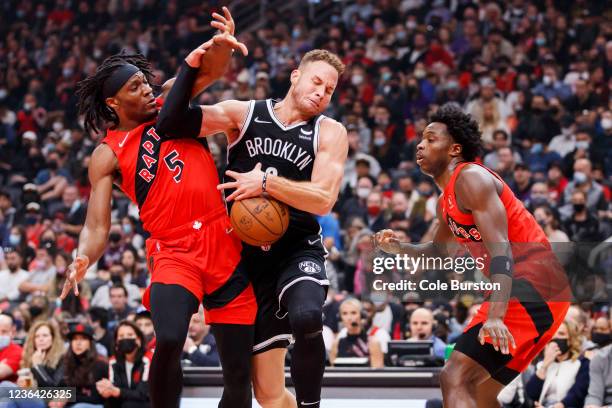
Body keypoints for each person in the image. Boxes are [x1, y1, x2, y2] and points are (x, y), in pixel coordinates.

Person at [62, 9, 257, 408]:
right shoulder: (106, 154)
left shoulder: (171, 99)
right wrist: (83, 256)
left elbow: (212, 70)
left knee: (239, 376)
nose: (147, 90)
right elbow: (97, 227)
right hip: (173, 250)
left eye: (145, 81)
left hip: (224, 241)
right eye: (136, 87)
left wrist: (222, 44)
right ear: (114, 102)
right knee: (168, 338)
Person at [160, 45, 348, 408]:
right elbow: (171, 122)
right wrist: (194, 66)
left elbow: (324, 198)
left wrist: (265, 184)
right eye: (316, 82)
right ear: (296, 76)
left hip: (297, 249)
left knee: (308, 316)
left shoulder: (330, 131)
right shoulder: (243, 114)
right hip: (245, 262)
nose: (321, 93)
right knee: (268, 394)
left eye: (329, 90)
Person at [374, 104, 570, 407]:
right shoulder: (446, 199)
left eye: (431, 139)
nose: (421, 144)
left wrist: (495, 316)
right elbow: (438, 252)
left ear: (454, 149)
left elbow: (502, 248)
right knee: (480, 393)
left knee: (454, 377)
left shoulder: (471, 178)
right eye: (421, 139)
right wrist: (400, 248)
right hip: (544, 295)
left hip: (534, 284)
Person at [525, 320, 589, 407]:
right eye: (553, 334)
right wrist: (545, 365)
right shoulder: (542, 363)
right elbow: (531, 394)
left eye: (561, 334)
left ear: (570, 339)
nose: (555, 338)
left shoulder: (582, 363)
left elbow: (577, 394)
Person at [98, 321, 150, 408]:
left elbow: (143, 394)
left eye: (130, 335)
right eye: (121, 336)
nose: (78, 343)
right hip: (121, 403)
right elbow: (110, 390)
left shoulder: (147, 360)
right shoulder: (113, 361)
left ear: (138, 340)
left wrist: (117, 391)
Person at [330, 298, 384, 368]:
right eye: (344, 313)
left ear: (362, 315)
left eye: (353, 313)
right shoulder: (336, 344)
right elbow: (333, 372)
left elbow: (378, 375)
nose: (349, 317)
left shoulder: (372, 343)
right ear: (340, 318)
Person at [18, 321, 65, 388]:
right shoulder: (29, 356)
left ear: (53, 338)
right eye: (37, 336)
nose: (41, 339)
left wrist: (38, 366)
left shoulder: (62, 358)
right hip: (31, 395)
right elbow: (28, 387)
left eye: (45, 335)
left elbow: (52, 389)